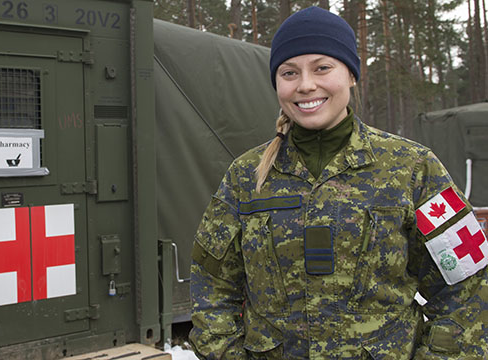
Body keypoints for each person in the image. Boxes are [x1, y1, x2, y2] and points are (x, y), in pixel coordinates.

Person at [189, 6, 488, 359]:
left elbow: (467, 289)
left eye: (322, 67)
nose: (305, 85)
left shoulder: (413, 169)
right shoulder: (246, 177)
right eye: (289, 72)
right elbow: (212, 287)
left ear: (351, 74)